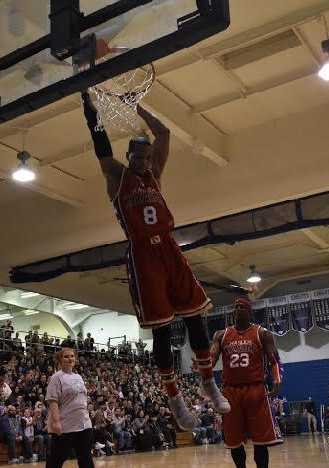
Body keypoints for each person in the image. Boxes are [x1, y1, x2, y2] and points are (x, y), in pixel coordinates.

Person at [81, 91, 229, 431]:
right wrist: (90, 111)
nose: (146, 161)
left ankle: (207, 381)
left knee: (196, 318)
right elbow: (100, 145)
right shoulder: (117, 176)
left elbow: (164, 134)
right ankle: (175, 400)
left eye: (148, 157)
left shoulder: (155, 174)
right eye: (140, 156)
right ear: (129, 155)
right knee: (162, 331)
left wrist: (139, 107)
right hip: (142, 253)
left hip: (169, 249)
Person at [206, 297, 283, 468]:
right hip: (231, 391)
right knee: (233, 440)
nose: (237, 309)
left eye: (242, 307)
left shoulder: (262, 333)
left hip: (256, 389)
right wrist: (203, 366)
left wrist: (277, 380)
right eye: (236, 307)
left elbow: (274, 360)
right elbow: (212, 358)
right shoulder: (221, 335)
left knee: (260, 440)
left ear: (249, 312)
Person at [45, 347, 94, 468]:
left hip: (83, 422)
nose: (70, 358)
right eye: (66, 356)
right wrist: (56, 422)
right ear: (60, 360)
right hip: (66, 424)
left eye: (72, 356)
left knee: (86, 456)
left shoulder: (78, 377)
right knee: (56, 459)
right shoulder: (57, 377)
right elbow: (53, 401)